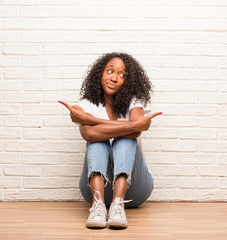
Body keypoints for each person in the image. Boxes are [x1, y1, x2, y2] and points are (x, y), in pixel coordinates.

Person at [59, 52, 161, 229]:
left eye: (122, 75)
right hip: (93, 192)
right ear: (100, 74)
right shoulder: (88, 103)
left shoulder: (134, 100)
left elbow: (134, 132)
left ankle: (118, 204)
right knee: (99, 140)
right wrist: (133, 126)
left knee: (125, 140)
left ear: (128, 82)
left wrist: (90, 120)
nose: (114, 78)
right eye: (110, 71)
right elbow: (89, 135)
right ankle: (98, 206)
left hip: (136, 189)